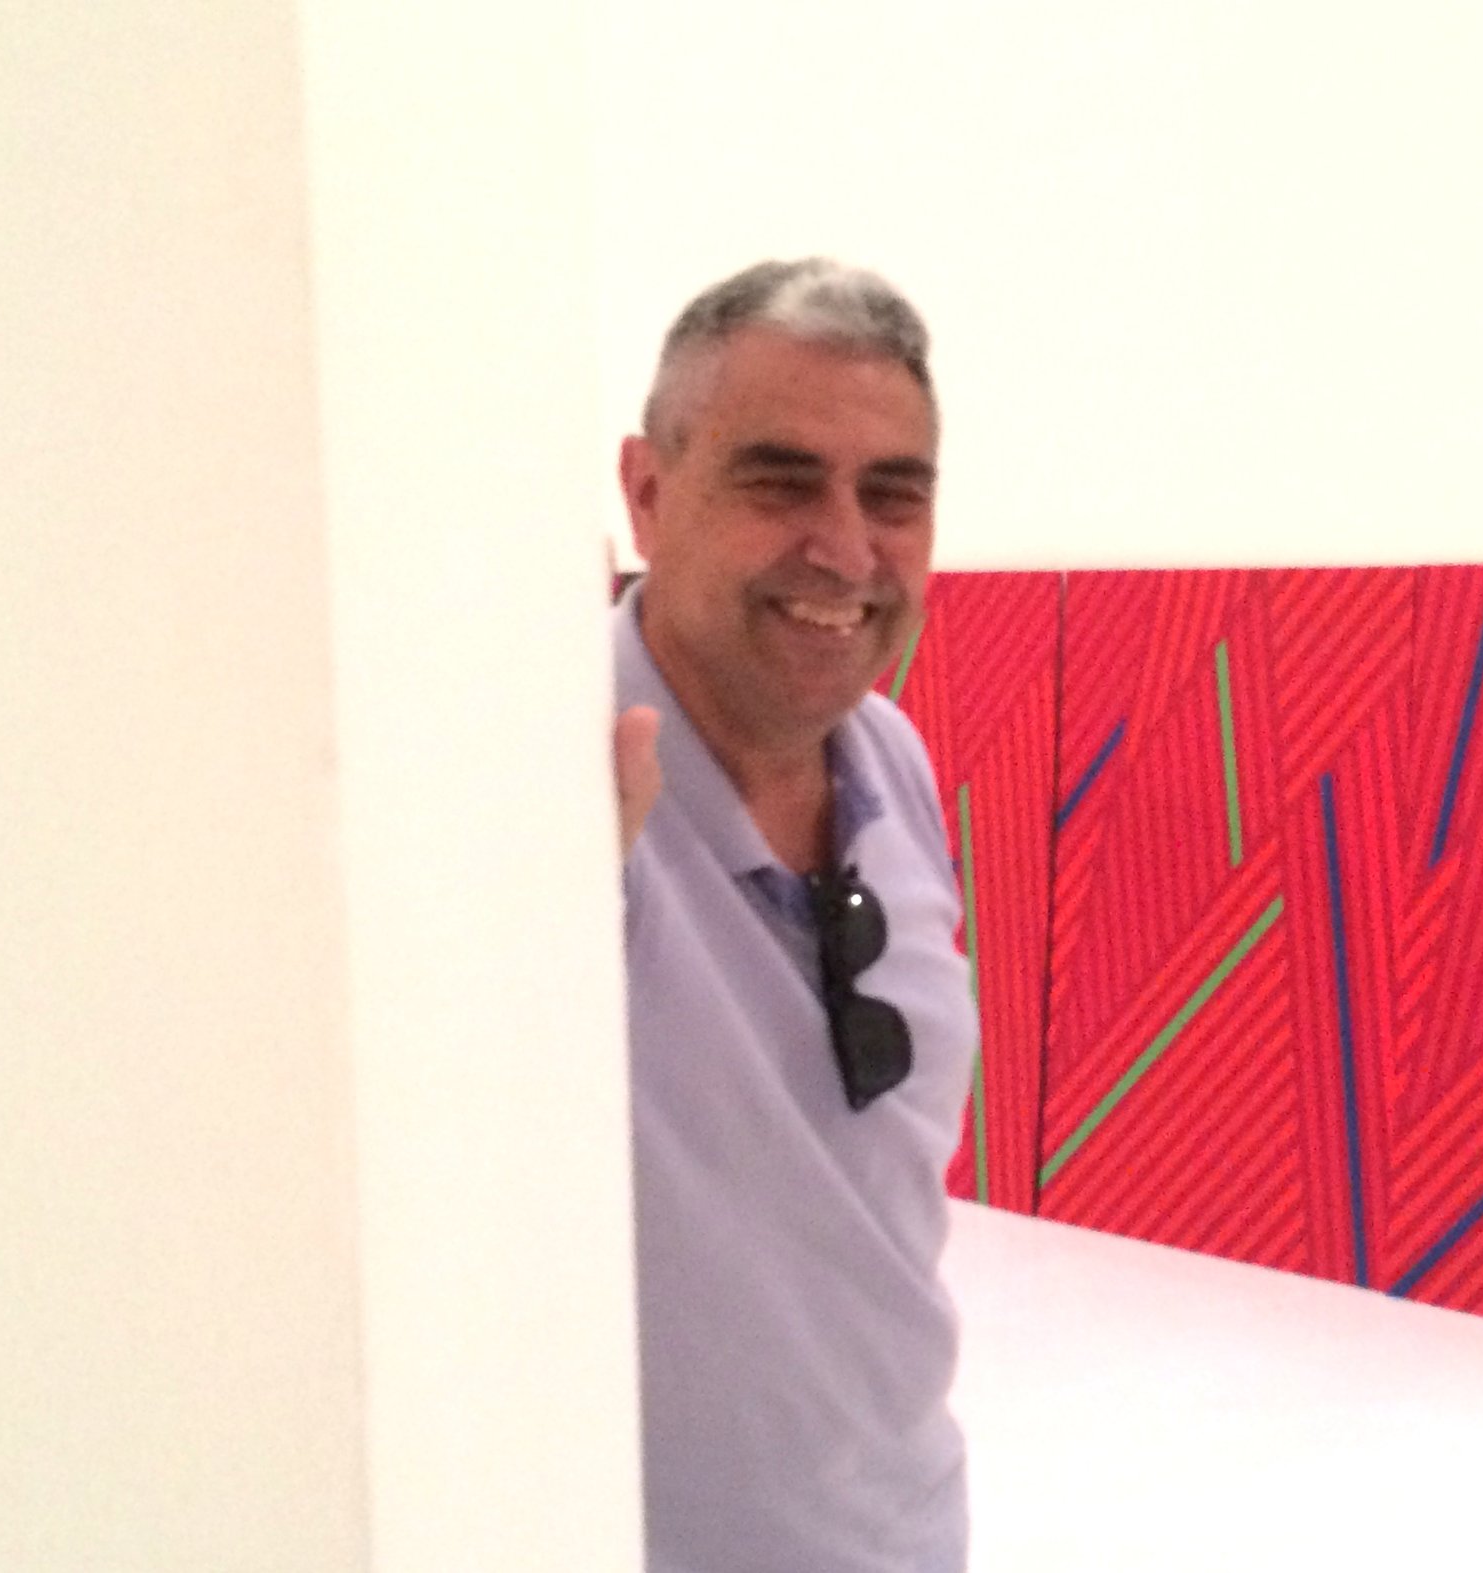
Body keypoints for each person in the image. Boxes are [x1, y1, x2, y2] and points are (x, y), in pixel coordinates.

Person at [610, 259, 977, 1573]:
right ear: (650, 495)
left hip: (902, 1531)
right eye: (780, 481)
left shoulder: (893, 761)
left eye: (894, 494)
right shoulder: (545, 786)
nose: (847, 548)